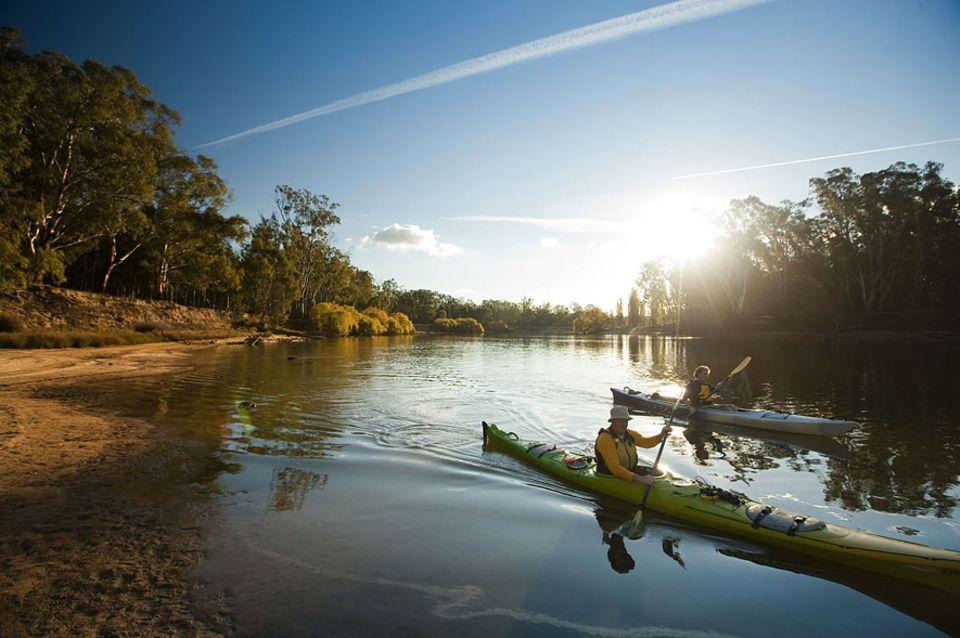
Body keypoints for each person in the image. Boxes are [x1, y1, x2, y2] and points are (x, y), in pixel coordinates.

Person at [595, 406, 671, 485]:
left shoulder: (630, 434)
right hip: (609, 475)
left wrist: (661, 435)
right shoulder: (605, 439)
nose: (624, 424)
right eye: (621, 421)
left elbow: (646, 442)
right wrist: (640, 479)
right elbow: (615, 468)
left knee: (656, 473)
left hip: (629, 471)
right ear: (613, 421)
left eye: (626, 421)